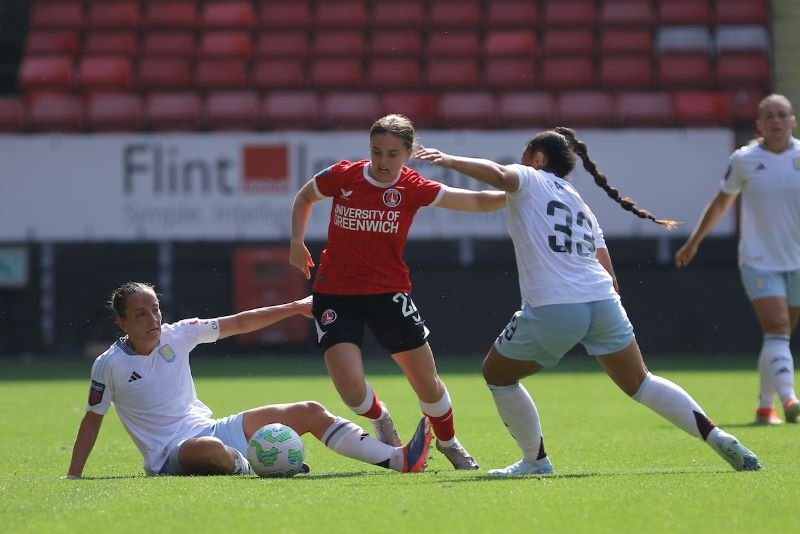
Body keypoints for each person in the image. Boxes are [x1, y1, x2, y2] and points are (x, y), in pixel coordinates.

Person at [414, 127, 762, 475]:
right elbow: (609, 274)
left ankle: (535, 462)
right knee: (641, 382)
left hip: (556, 305)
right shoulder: (578, 202)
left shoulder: (530, 177)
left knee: (497, 374)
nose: (521, 163)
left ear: (537, 159)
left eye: (525, 156)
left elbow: (499, 173)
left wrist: (448, 159)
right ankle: (716, 436)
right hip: (603, 301)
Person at [289, 113, 506, 470]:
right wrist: (297, 242)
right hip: (335, 292)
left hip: (387, 292)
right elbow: (304, 197)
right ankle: (380, 417)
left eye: (392, 154)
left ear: (408, 153)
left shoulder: (413, 187)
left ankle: (449, 442)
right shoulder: (344, 175)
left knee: (426, 383)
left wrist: (520, 194)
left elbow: (478, 201)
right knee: (348, 385)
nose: (382, 161)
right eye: (376, 152)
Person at [64, 282, 432, 479]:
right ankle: (259, 464)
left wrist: (294, 308)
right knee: (208, 452)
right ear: (122, 323)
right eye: (141, 314)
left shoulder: (179, 334)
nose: (152, 319)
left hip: (211, 428)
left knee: (308, 411)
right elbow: (92, 420)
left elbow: (240, 321)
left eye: (155, 309)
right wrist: (74, 476)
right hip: (171, 455)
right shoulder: (108, 365)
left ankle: (400, 460)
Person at [675, 94, 800, 426]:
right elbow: (720, 204)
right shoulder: (744, 160)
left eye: (782, 115)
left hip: (797, 261)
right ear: (759, 125)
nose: (776, 121)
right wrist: (694, 241)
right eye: (769, 116)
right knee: (777, 328)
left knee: (779, 338)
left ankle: (764, 408)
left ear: (793, 121)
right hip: (759, 259)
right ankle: (790, 399)